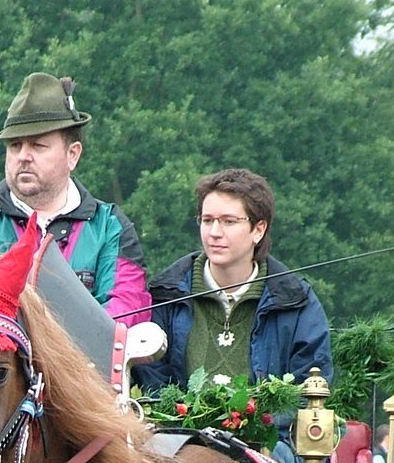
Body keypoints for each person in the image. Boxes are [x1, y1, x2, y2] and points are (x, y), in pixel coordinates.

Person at [0, 72, 147, 324]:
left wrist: (54, 351)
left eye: (38, 145)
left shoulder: (109, 227)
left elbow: (125, 312)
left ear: (73, 155)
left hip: (86, 364)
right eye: (15, 145)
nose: (23, 156)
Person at [139, 168, 332, 393]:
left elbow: (308, 389)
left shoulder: (296, 302)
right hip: (180, 429)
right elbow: (152, 383)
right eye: (207, 220)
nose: (214, 232)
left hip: (269, 428)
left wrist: (260, 423)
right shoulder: (165, 296)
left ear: (259, 230)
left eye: (229, 221)